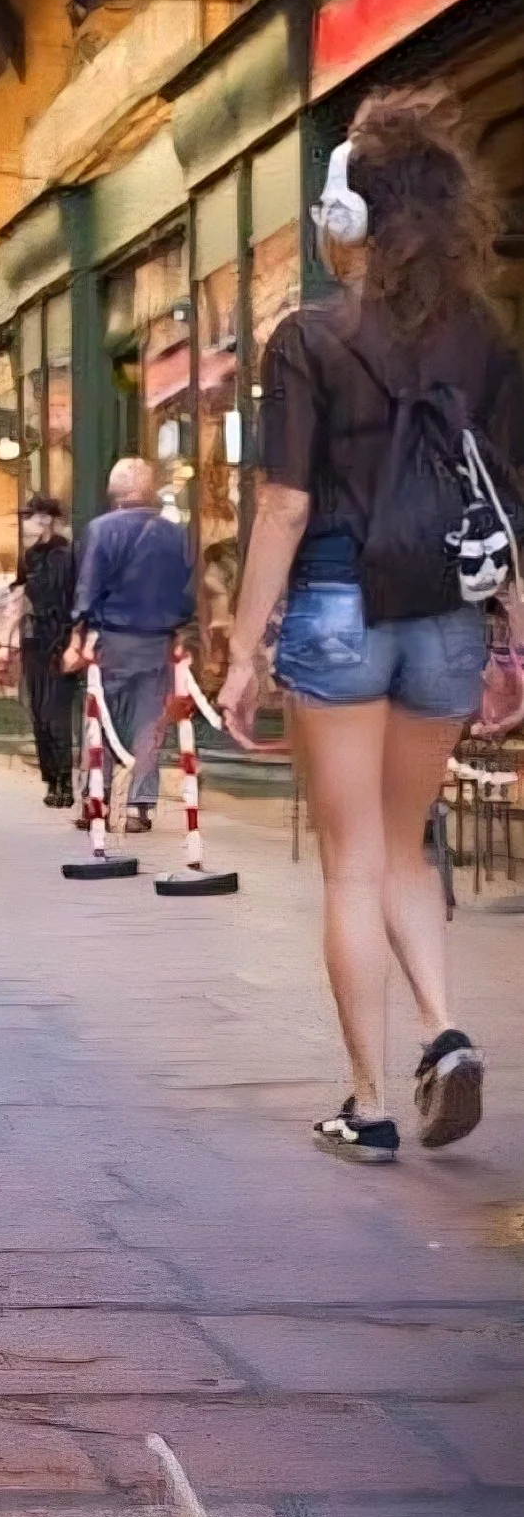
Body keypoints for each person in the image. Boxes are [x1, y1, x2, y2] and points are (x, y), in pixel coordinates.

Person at [220, 87, 524, 1165]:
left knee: (351, 860)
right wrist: (511, 634)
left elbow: (285, 506)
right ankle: (443, 1027)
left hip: (337, 608)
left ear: (350, 218)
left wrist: (245, 645)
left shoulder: (306, 337)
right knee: (406, 846)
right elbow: (505, 494)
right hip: (446, 616)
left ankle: (368, 1099)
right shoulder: (484, 339)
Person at [65, 459, 194, 830]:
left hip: (113, 636)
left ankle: (97, 798)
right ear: (150, 489)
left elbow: (88, 587)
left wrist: (79, 631)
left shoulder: (101, 530)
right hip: (159, 639)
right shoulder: (175, 533)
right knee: (148, 722)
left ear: (114, 490)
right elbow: (186, 590)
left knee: (99, 718)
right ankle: (140, 804)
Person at [11, 496, 78, 806]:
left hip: (60, 640)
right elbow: (20, 595)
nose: (25, 525)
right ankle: (51, 780)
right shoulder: (29, 557)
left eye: (31, 518)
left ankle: (65, 781)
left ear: (46, 520)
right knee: (39, 714)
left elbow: (76, 602)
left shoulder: (67, 554)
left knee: (56, 715)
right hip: (34, 640)